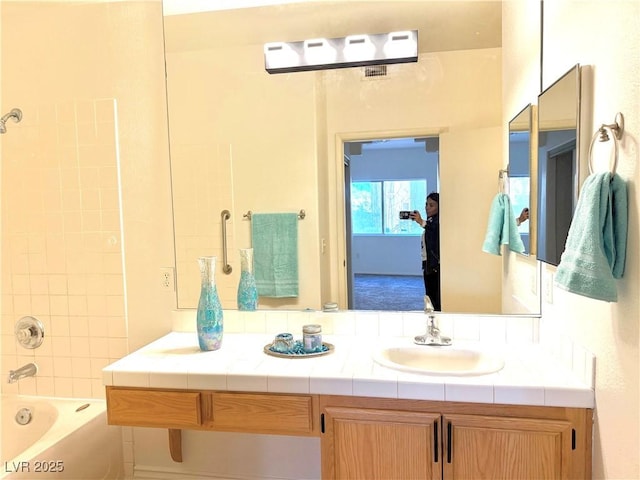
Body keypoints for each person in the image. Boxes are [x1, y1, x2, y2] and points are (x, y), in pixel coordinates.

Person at [411, 192, 441, 311]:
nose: (427, 207)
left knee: (434, 299)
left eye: (431, 205)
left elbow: (434, 230)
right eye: (426, 204)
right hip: (428, 264)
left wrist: (421, 221)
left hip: (434, 266)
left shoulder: (438, 222)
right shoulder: (431, 221)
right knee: (430, 297)